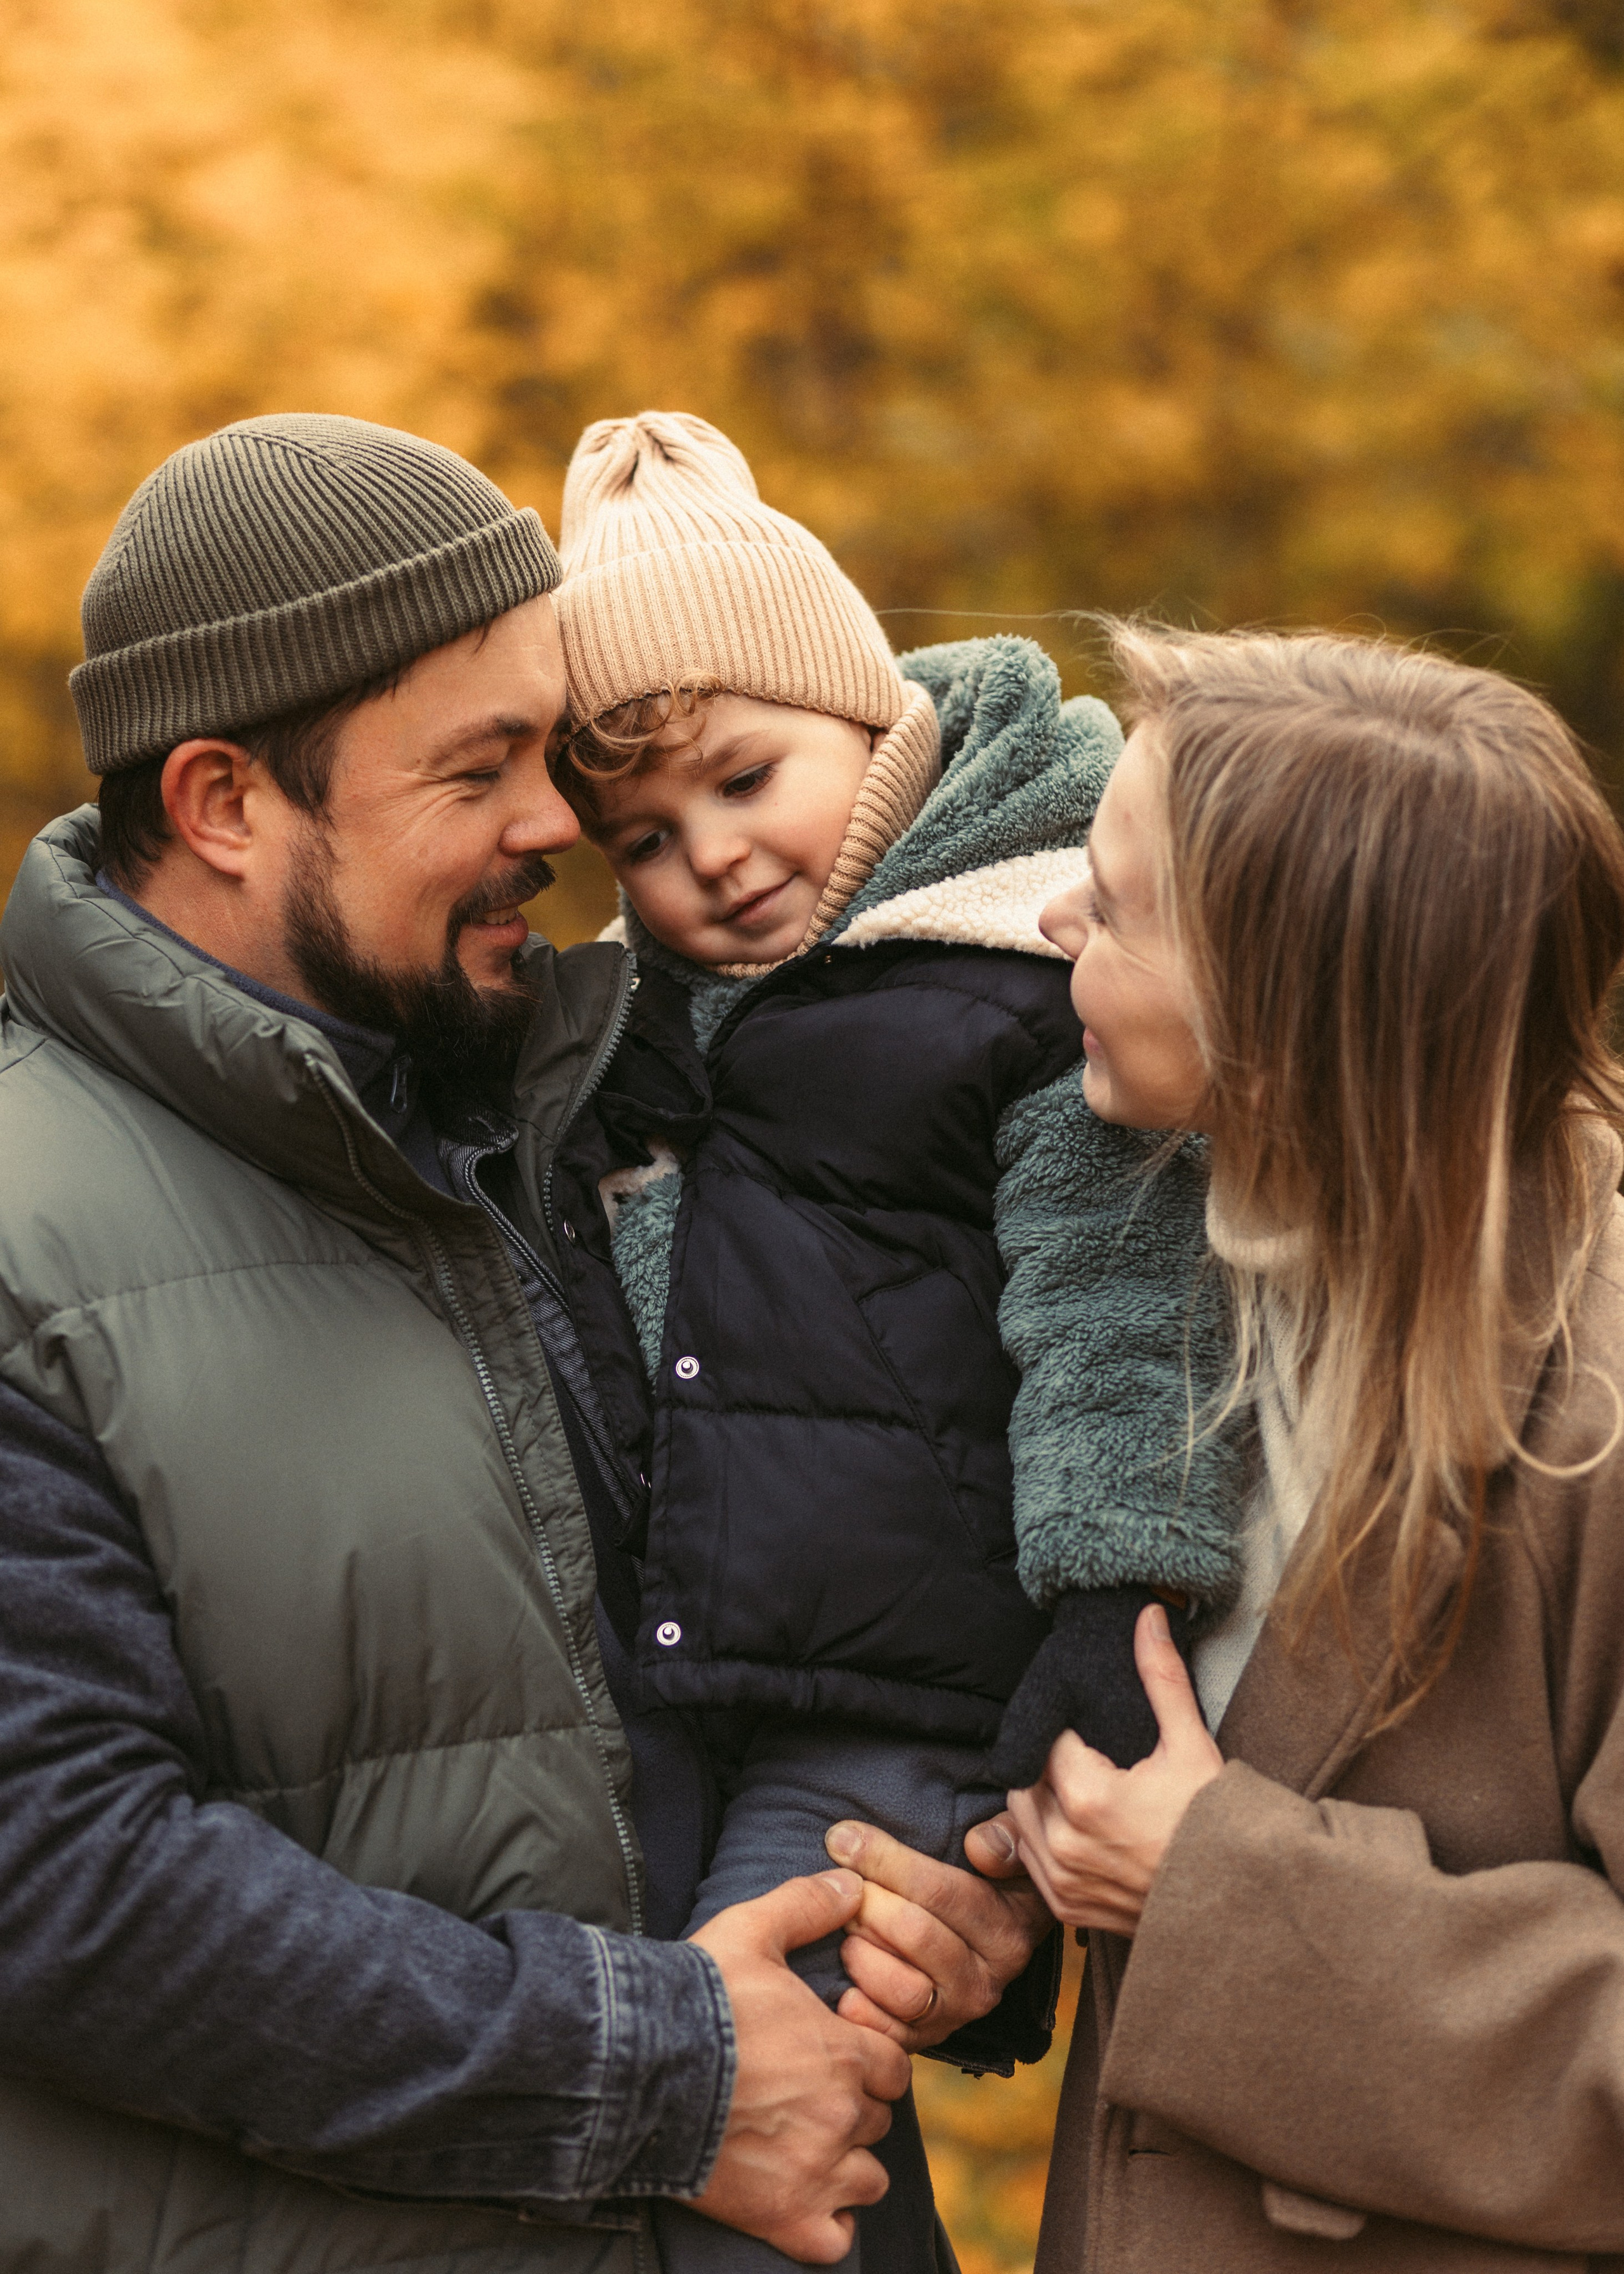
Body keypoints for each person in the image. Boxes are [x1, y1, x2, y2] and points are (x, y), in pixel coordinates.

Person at [0, 412, 1049, 2274]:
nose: (558, 826)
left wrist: (945, 1910)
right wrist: (660, 2080)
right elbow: (54, 1877)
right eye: (478, 770)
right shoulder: (31, 1236)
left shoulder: (598, 1097)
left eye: (546, 756)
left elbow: (841, 1594)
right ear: (225, 804)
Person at [542, 412, 1245, 2271]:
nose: (712, 859)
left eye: (744, 778)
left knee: (759, 2097)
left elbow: (1119, 1307)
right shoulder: (676, 1031)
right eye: (644, 840)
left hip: (921, 1701)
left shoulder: (1024, 979)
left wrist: (1108, 1601)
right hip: (742, 1677)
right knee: (785, 2135)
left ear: (868, 713)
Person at [1008, 622, 1624, 2270]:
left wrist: (1218, 1895)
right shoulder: (1161, 1272)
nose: (1055, 918)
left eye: (1113, 909)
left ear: (1285, 1031)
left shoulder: (1602, 1415)